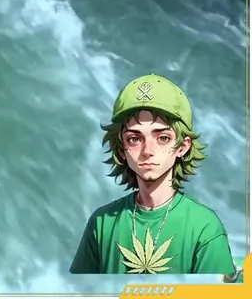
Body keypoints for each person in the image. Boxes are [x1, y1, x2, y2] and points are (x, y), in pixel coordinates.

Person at [68, 74, 238, 277]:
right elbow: (78, 290)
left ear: (183, 146)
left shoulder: (205, 226)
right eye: (134, 139)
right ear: (121, 149)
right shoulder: (102, 222)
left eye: (163, 138)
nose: (147, 151)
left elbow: (218, 291)